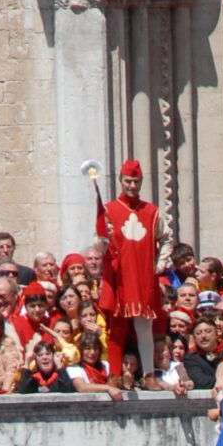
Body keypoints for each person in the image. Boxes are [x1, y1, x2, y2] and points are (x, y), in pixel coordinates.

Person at [94, 159, 164, 384]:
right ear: (121, 181)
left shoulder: (152, 212)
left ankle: (149, 376)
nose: (132, 186)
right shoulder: (109, 210)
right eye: (128, 181)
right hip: (119, 276)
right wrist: (103, 239)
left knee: (144, 328)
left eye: (136, 181)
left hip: (143, 276)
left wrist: (158, 265)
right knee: (117, 328)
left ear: (141, 182)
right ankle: (114, 375)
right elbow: (100, 245)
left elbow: (166, 239)